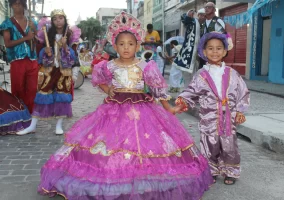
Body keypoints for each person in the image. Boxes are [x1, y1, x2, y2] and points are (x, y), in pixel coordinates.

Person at [37, 11, 213, 200]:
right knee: (110, 142)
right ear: (115, 46)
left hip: (143, 108)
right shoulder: (109, 65)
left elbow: (157, 88)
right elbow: (99, 79)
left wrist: (168, 108)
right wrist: (108, 90)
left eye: (130, 44)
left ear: (138, 45)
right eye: (121, 44)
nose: (126, 48)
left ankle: (148, 178)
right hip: (114, 109)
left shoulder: (146, 65)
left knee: (148, 145)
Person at [175, 32, 250, 185]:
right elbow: (192, 91)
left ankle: (231, 171)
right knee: (209, 144)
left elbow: (243, 92)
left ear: (224, 51)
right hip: (208, 117)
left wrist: (240, 110)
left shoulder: (232, 74)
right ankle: (211, 170)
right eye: (210, 48)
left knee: (229, 145)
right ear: (203, 51)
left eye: (218, 48)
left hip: (228, 116)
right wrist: (183, 99)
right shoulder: (201, 75)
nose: (215, 52)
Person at [17, 9, 81, 136]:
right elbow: (41, 57)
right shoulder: (47, 35)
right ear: (52, 21)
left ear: (65, 19)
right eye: (55, 19)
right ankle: (32, 125)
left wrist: (64, 47)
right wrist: (46, 53)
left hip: (64, 71)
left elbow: (73, 57)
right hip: (49, 70)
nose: (58, 21)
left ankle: (59, 125)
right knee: (42, 94)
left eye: (60, 18)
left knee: (62, 96)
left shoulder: (70, 35)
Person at [0, 0, 39, 113]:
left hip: (32, 59)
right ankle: (19, 115)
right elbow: (7, 43)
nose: (17, 5)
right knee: (18, 89)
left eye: (20, 3)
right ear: (11, 5)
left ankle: (30, 114)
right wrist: (25, 38)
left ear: (24, 5)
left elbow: (36, 41)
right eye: (15, 3)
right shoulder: (7, 23)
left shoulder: (32, 22)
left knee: (32, 89)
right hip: (17, 60)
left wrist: (35, 30)